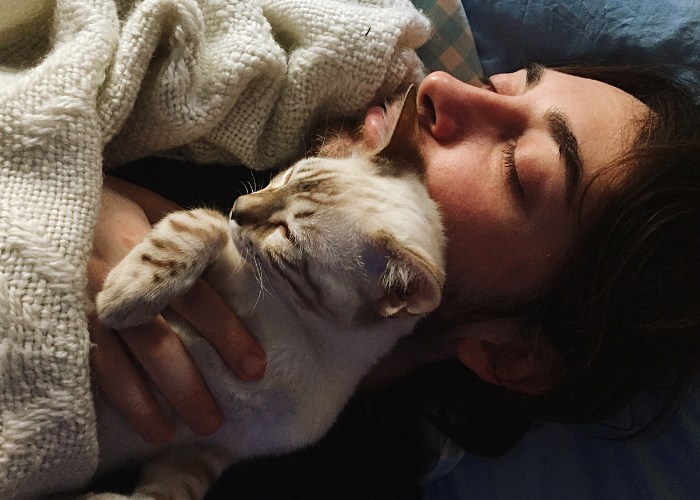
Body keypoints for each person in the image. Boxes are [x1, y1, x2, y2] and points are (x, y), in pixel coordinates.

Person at [91, 61, 700, 469]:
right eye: (500, 84)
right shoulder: (213, 106)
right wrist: (63, 195)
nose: (439, 83)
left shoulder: (327, 476)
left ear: (515, 355)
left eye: (518, 167)